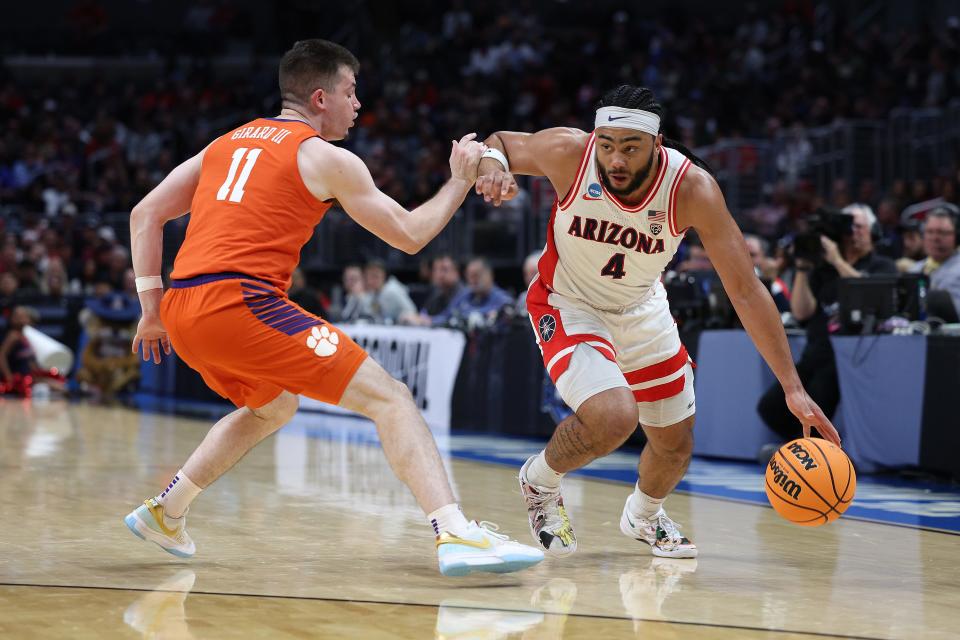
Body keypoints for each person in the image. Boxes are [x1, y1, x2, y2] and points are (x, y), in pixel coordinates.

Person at [124, 39, 542, 577]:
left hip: (183, 309)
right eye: (351, 90)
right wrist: (459, 181)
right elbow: (411, 236)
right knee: (390, 398)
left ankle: (168, 511)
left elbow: (144, 214)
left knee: (273, 407)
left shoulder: (224, 144)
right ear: (320, 98)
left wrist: (150, 310)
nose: (358, 103)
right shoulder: (323, 156)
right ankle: (456, 532)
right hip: (241, 304)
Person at [474, 85, 841, 559]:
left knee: (674, 444)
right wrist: (492, 167)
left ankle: (644, 516)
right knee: (614, 418)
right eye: (607, 145)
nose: (617, 160)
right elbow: (500, 142)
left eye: (631, 147)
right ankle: (540, 482)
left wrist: (792, 387)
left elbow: (747, 290)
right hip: (568, 302)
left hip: (642, 308)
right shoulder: (569, 152)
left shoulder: (692, 189)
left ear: (658, 143)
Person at [758, 203, 895, 444]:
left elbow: (870, 296)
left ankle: (810, 453)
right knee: (770, 407)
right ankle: (803, 448)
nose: (853, 232)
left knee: (818, 404)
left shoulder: (882, 264)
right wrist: (802, 268)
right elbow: (802, 312)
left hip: (851, 356)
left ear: (873, 231)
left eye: (859, 226)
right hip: (816, 351)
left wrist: (837, 259)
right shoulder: (824, 269)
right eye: (848, 226)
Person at [432, 256, 514, 326]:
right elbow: (446, 316)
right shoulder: (464, 295)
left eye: (476, 275)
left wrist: (470, 315)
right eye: (469, 276)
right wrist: (430, 321)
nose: (473, 280)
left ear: (489, 275)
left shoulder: (503, 300)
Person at [911, 205, 960, 314]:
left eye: (942, 232)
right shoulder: (914, 270)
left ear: (957, 236)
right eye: (930, 232)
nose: (935, 238)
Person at [363, 259, 417, 324]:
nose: (371, 281)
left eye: (375, 276)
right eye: (369, 276)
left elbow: (411, 311)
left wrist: (401, 319)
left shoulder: (393, 290)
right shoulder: (372, 292)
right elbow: (370, 314)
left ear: (384, 276)